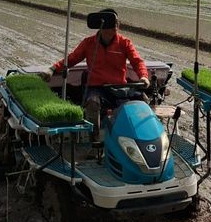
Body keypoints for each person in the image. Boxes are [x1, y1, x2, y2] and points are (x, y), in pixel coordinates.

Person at [50, 8, 149, 141]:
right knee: (92, 103)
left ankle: (142, 138)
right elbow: (72, 59)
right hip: (98, 88)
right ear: (100, 26)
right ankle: (94, 140)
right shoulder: (89, 43)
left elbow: (137, 61)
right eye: (110, 24)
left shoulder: (124, 43)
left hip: (119, 88)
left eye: (116, 24)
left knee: (143, 100)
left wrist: (143, 76)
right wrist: (52, 69)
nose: (114, 28)